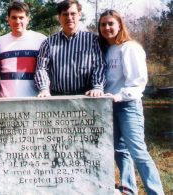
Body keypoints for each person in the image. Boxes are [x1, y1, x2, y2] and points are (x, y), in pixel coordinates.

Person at [98, 9, 165, 195]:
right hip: (109, 106)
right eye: (103, 24)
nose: (107, 28)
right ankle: (129, 189)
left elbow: (137, 83)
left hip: (128, 105)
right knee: (120, 151)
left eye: (111, 23)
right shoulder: (106, 49)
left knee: (138, 152)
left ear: (120, 25)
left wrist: (120, 96)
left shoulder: (130, 47)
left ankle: (155, 191)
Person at [34, 0, 106, 97]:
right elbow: (41, 69)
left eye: (73, 14)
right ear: (59, 17)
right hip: (56, 97)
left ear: (79, 15)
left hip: (85, 97)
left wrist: (97, 87)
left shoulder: (92, 40)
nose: (69, 18)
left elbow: (99, 65)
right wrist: (44, 89)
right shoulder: (48, 43)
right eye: (65, 14)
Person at [0, 0, 47, 97]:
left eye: (21, 17)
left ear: (28, 19)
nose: (17, 21)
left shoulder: (41, 40)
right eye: (14, 17)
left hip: (34, 100)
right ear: (8, 19)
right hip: (5, 102)